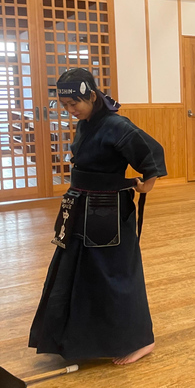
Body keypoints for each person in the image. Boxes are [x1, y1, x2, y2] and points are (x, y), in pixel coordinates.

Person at [29, 68, 167, 365]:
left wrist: (147, 185)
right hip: (81, 206)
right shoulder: (86, 123)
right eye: (65, 106)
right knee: (81, 272)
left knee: (115, 275)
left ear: (92, 95)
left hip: (109, 213)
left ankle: (141, 340)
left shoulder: (117, 125)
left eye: (74, 104)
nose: (70, 110)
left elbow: (151, 153)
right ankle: (79, 340)